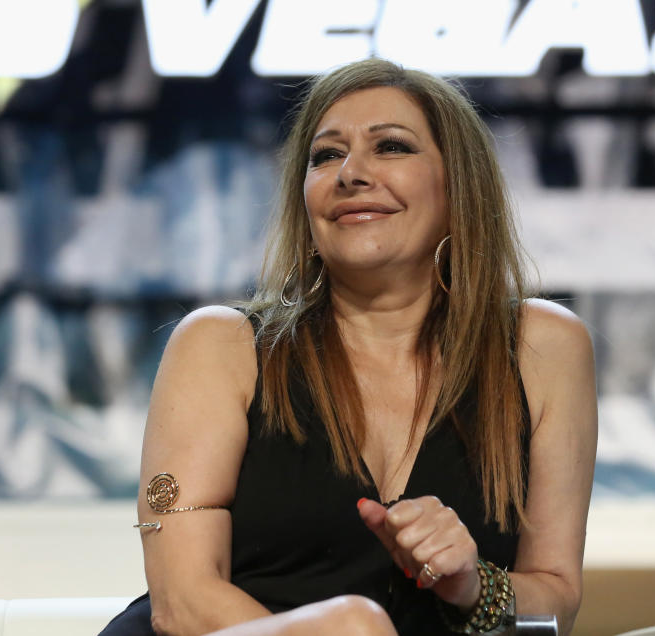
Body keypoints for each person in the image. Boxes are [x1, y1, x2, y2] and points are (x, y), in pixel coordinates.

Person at [100, 58, 597, 636]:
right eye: (326, 155)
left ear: (458, 184)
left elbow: (556, 597)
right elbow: (182, 605)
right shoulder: (220, 346)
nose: (351, 172)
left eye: (390, 147)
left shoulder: (544, 347)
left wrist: (473, 584)